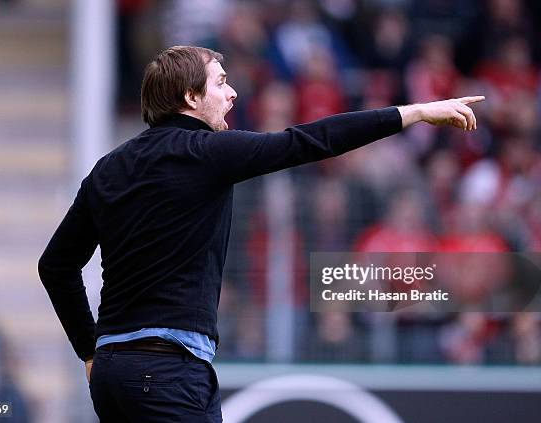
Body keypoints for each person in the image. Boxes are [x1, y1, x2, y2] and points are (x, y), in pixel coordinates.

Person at [38, 45, 484, 422]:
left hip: (116, 374)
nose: (232, 93)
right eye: (220, 83)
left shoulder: (109, 168)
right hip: (167, 371)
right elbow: (311, 140)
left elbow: (55, 265)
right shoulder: (207, 152)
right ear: (190, 97)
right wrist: (415, 112)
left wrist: (91, 349)